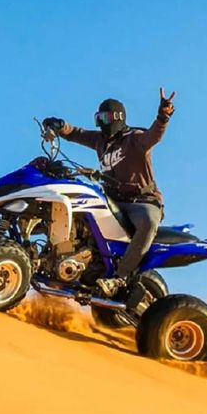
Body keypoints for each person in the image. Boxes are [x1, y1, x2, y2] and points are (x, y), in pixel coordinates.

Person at [42, 87, 175, 298]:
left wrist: (162, 117)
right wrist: (59, 125)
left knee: (149, 223)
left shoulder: (135, 138)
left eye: (106, 117)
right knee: (75, 207)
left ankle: (120, 278)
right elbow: (76, 133)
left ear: (118, 118)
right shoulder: (100, 141)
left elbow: (154, 136)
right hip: (112, 200)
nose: (102, 122)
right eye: (99, 118)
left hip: (142, 201)